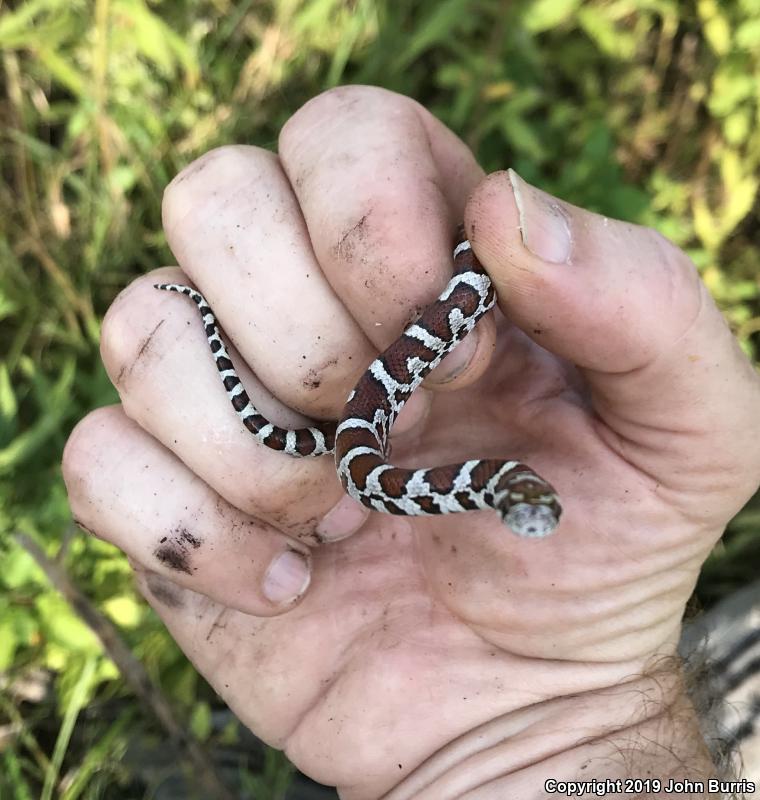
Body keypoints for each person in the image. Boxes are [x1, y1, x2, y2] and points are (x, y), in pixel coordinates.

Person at [62, 86, 760, 798]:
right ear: (518, 486)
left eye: (526, 515)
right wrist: (579, 727)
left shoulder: (466, 485)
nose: (530, 528)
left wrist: (562, 729)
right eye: (531, 509)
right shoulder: (472, 462)